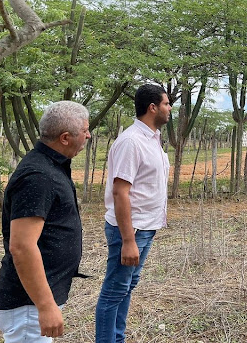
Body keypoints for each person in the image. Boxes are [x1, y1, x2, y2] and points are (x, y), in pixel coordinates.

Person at [0, 101, 90, 342]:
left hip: (33, 302)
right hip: (28, 307)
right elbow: (22, 246)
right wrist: (45, 306)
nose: (89, 135)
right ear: (65, 138)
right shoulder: (39, 176)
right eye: (85, 130)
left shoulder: (51, 166)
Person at [95, 84, 171, 343]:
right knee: (114, 291)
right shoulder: (131, 141)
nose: (170, 108)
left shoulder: (152, 139)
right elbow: (120, 192)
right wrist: (128, 240)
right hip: (131, 230)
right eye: (166, 104)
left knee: (126, 287)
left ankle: (117, 338)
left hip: (145, 228)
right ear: (153, 108)